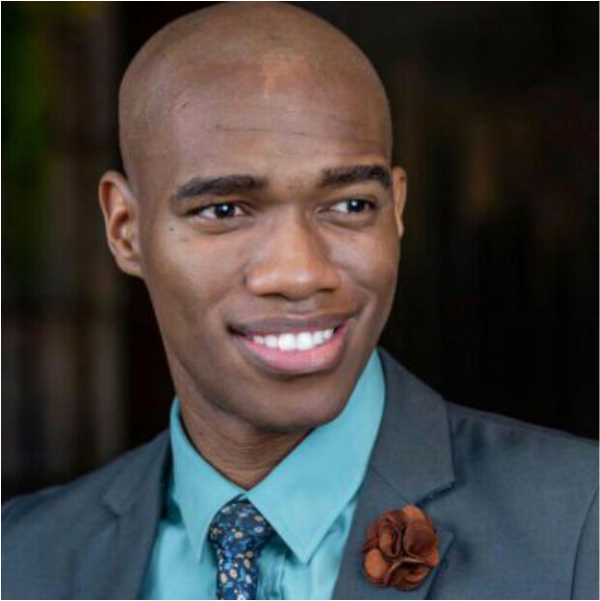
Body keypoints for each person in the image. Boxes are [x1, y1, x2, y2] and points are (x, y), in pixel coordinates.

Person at [2, 3, 597, 600]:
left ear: (397, 210)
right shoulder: (22, 557)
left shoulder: (579, 524)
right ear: (125, 228)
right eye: (224, 210)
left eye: (351, 205)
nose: (300, 273)